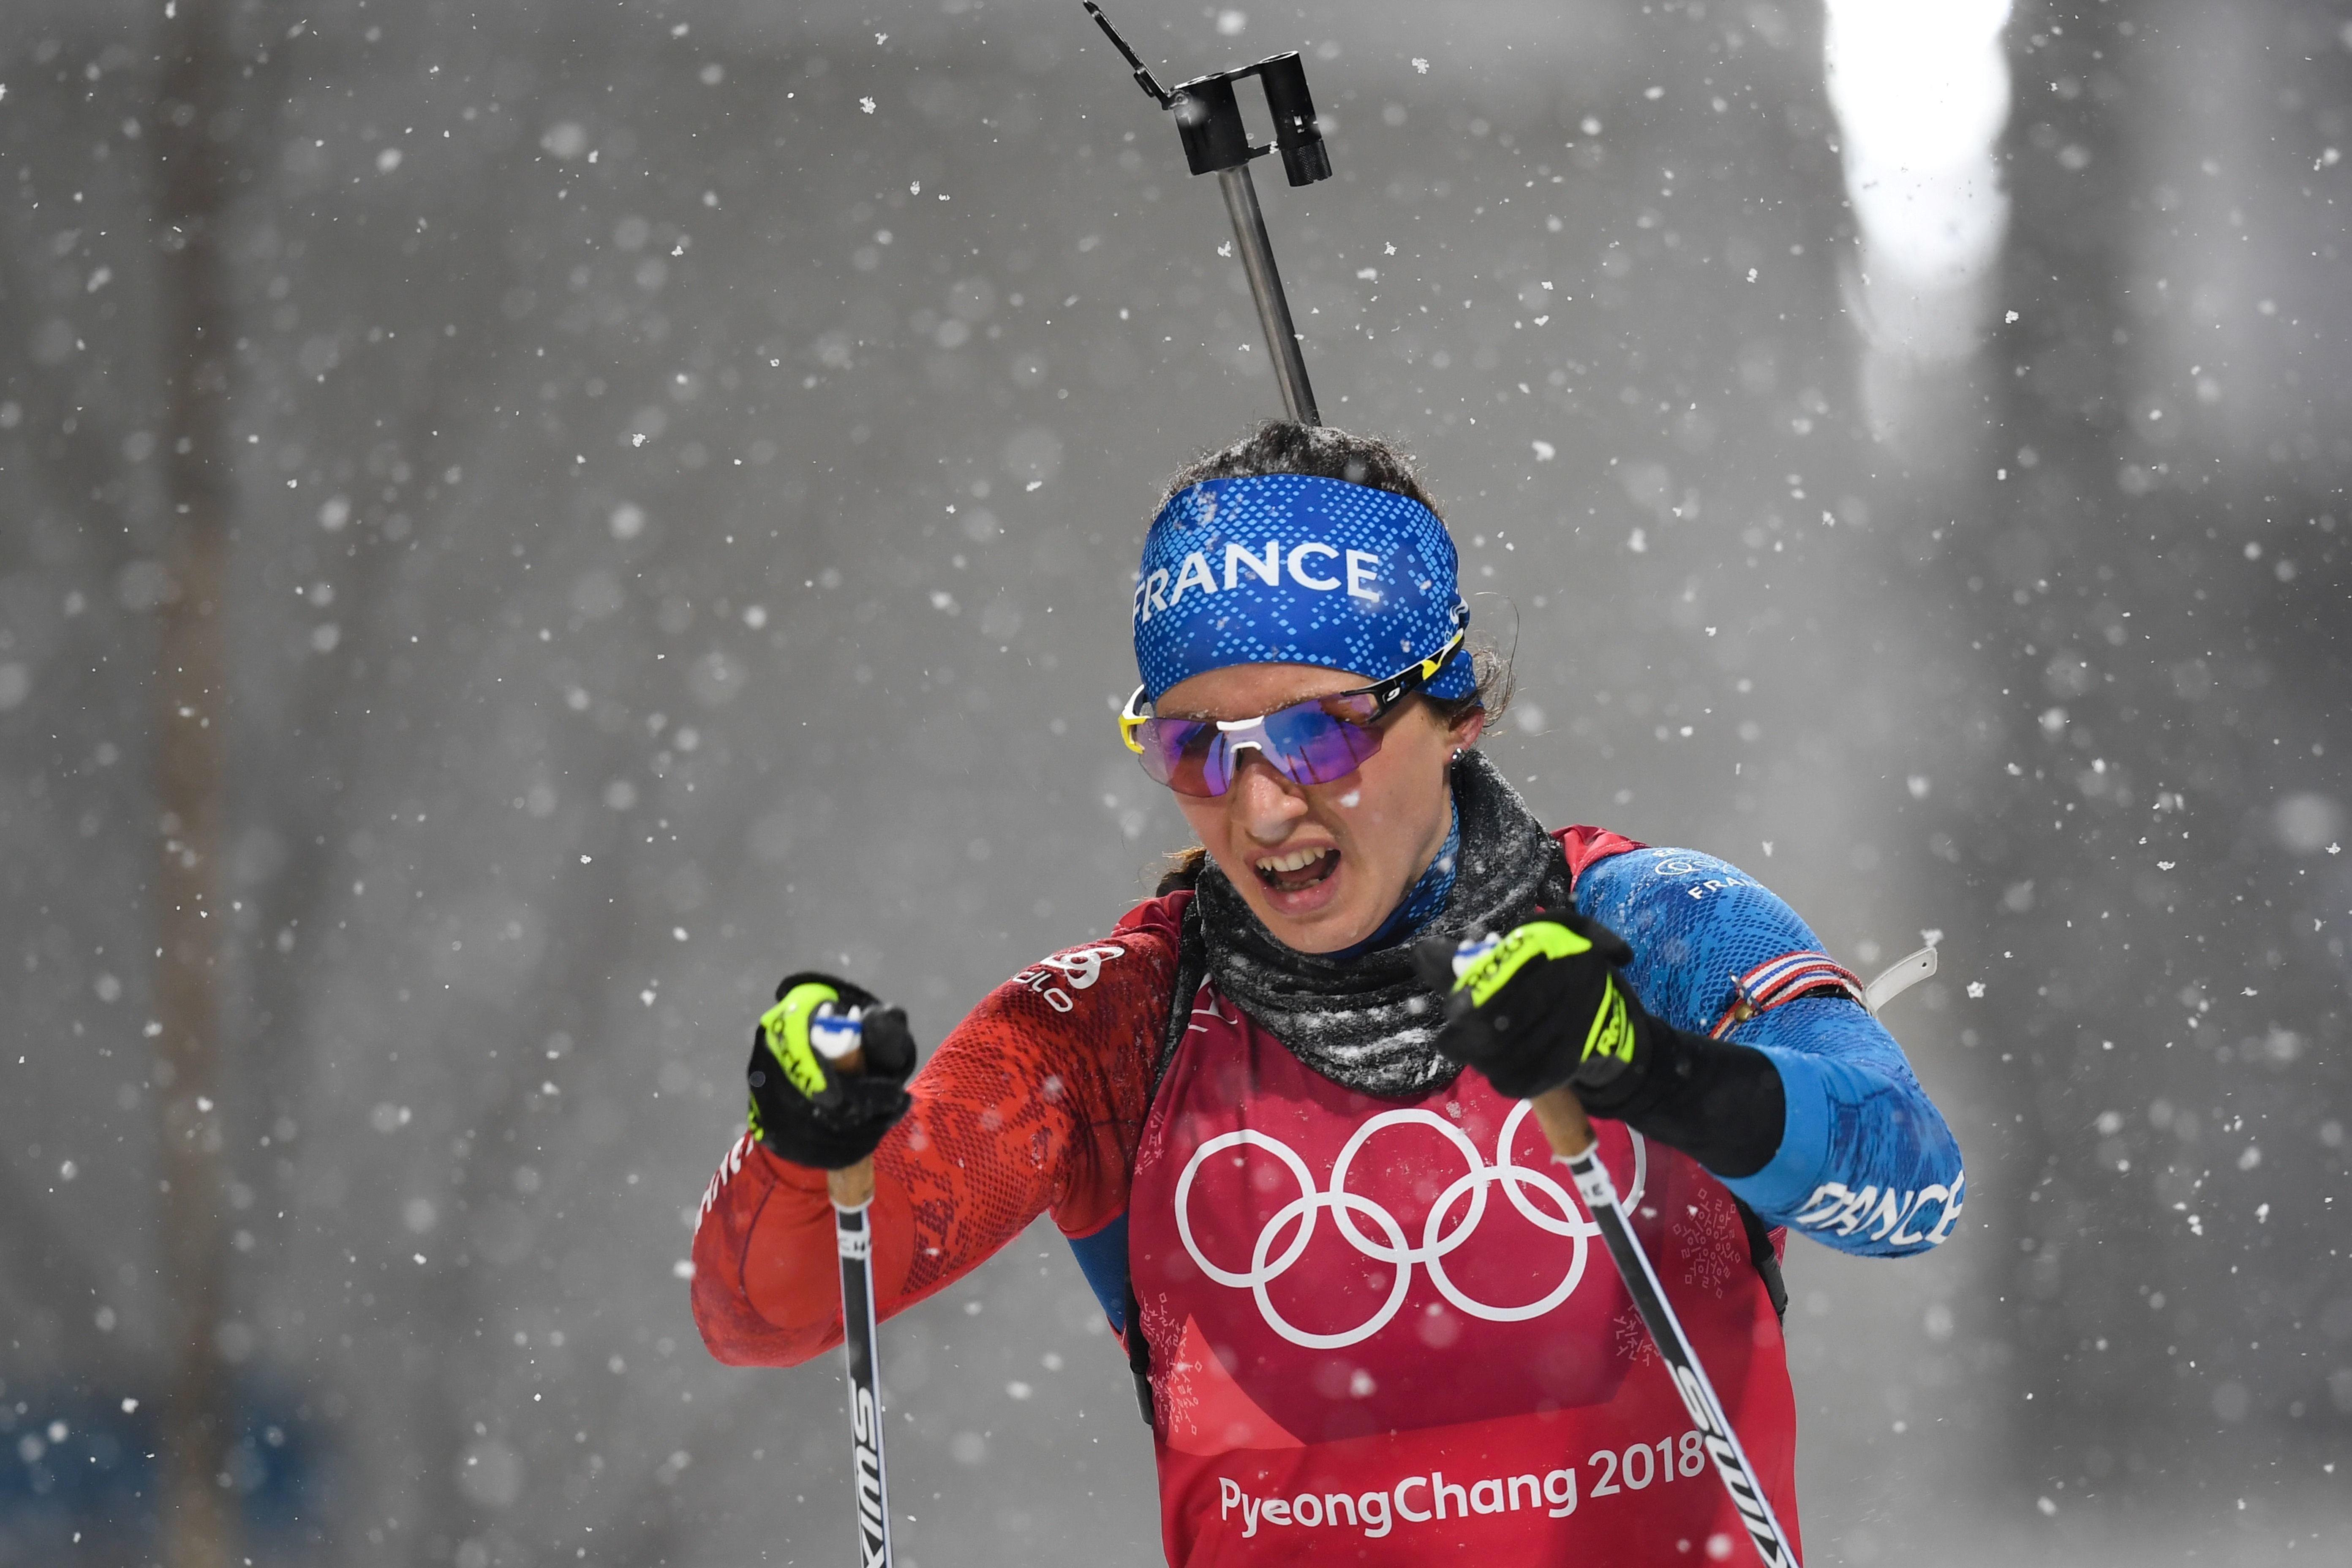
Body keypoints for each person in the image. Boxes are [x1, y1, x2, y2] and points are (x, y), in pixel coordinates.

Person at [691, 422, 1965, 1564]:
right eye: (1195, 746)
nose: (1261, 805)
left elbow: (1914, 1182)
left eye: (1319, 733)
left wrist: (1648, 1066)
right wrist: (805, 1143)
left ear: (1453, 711)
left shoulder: (1648, 928)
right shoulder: (1116, 1032)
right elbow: (767, 1313)